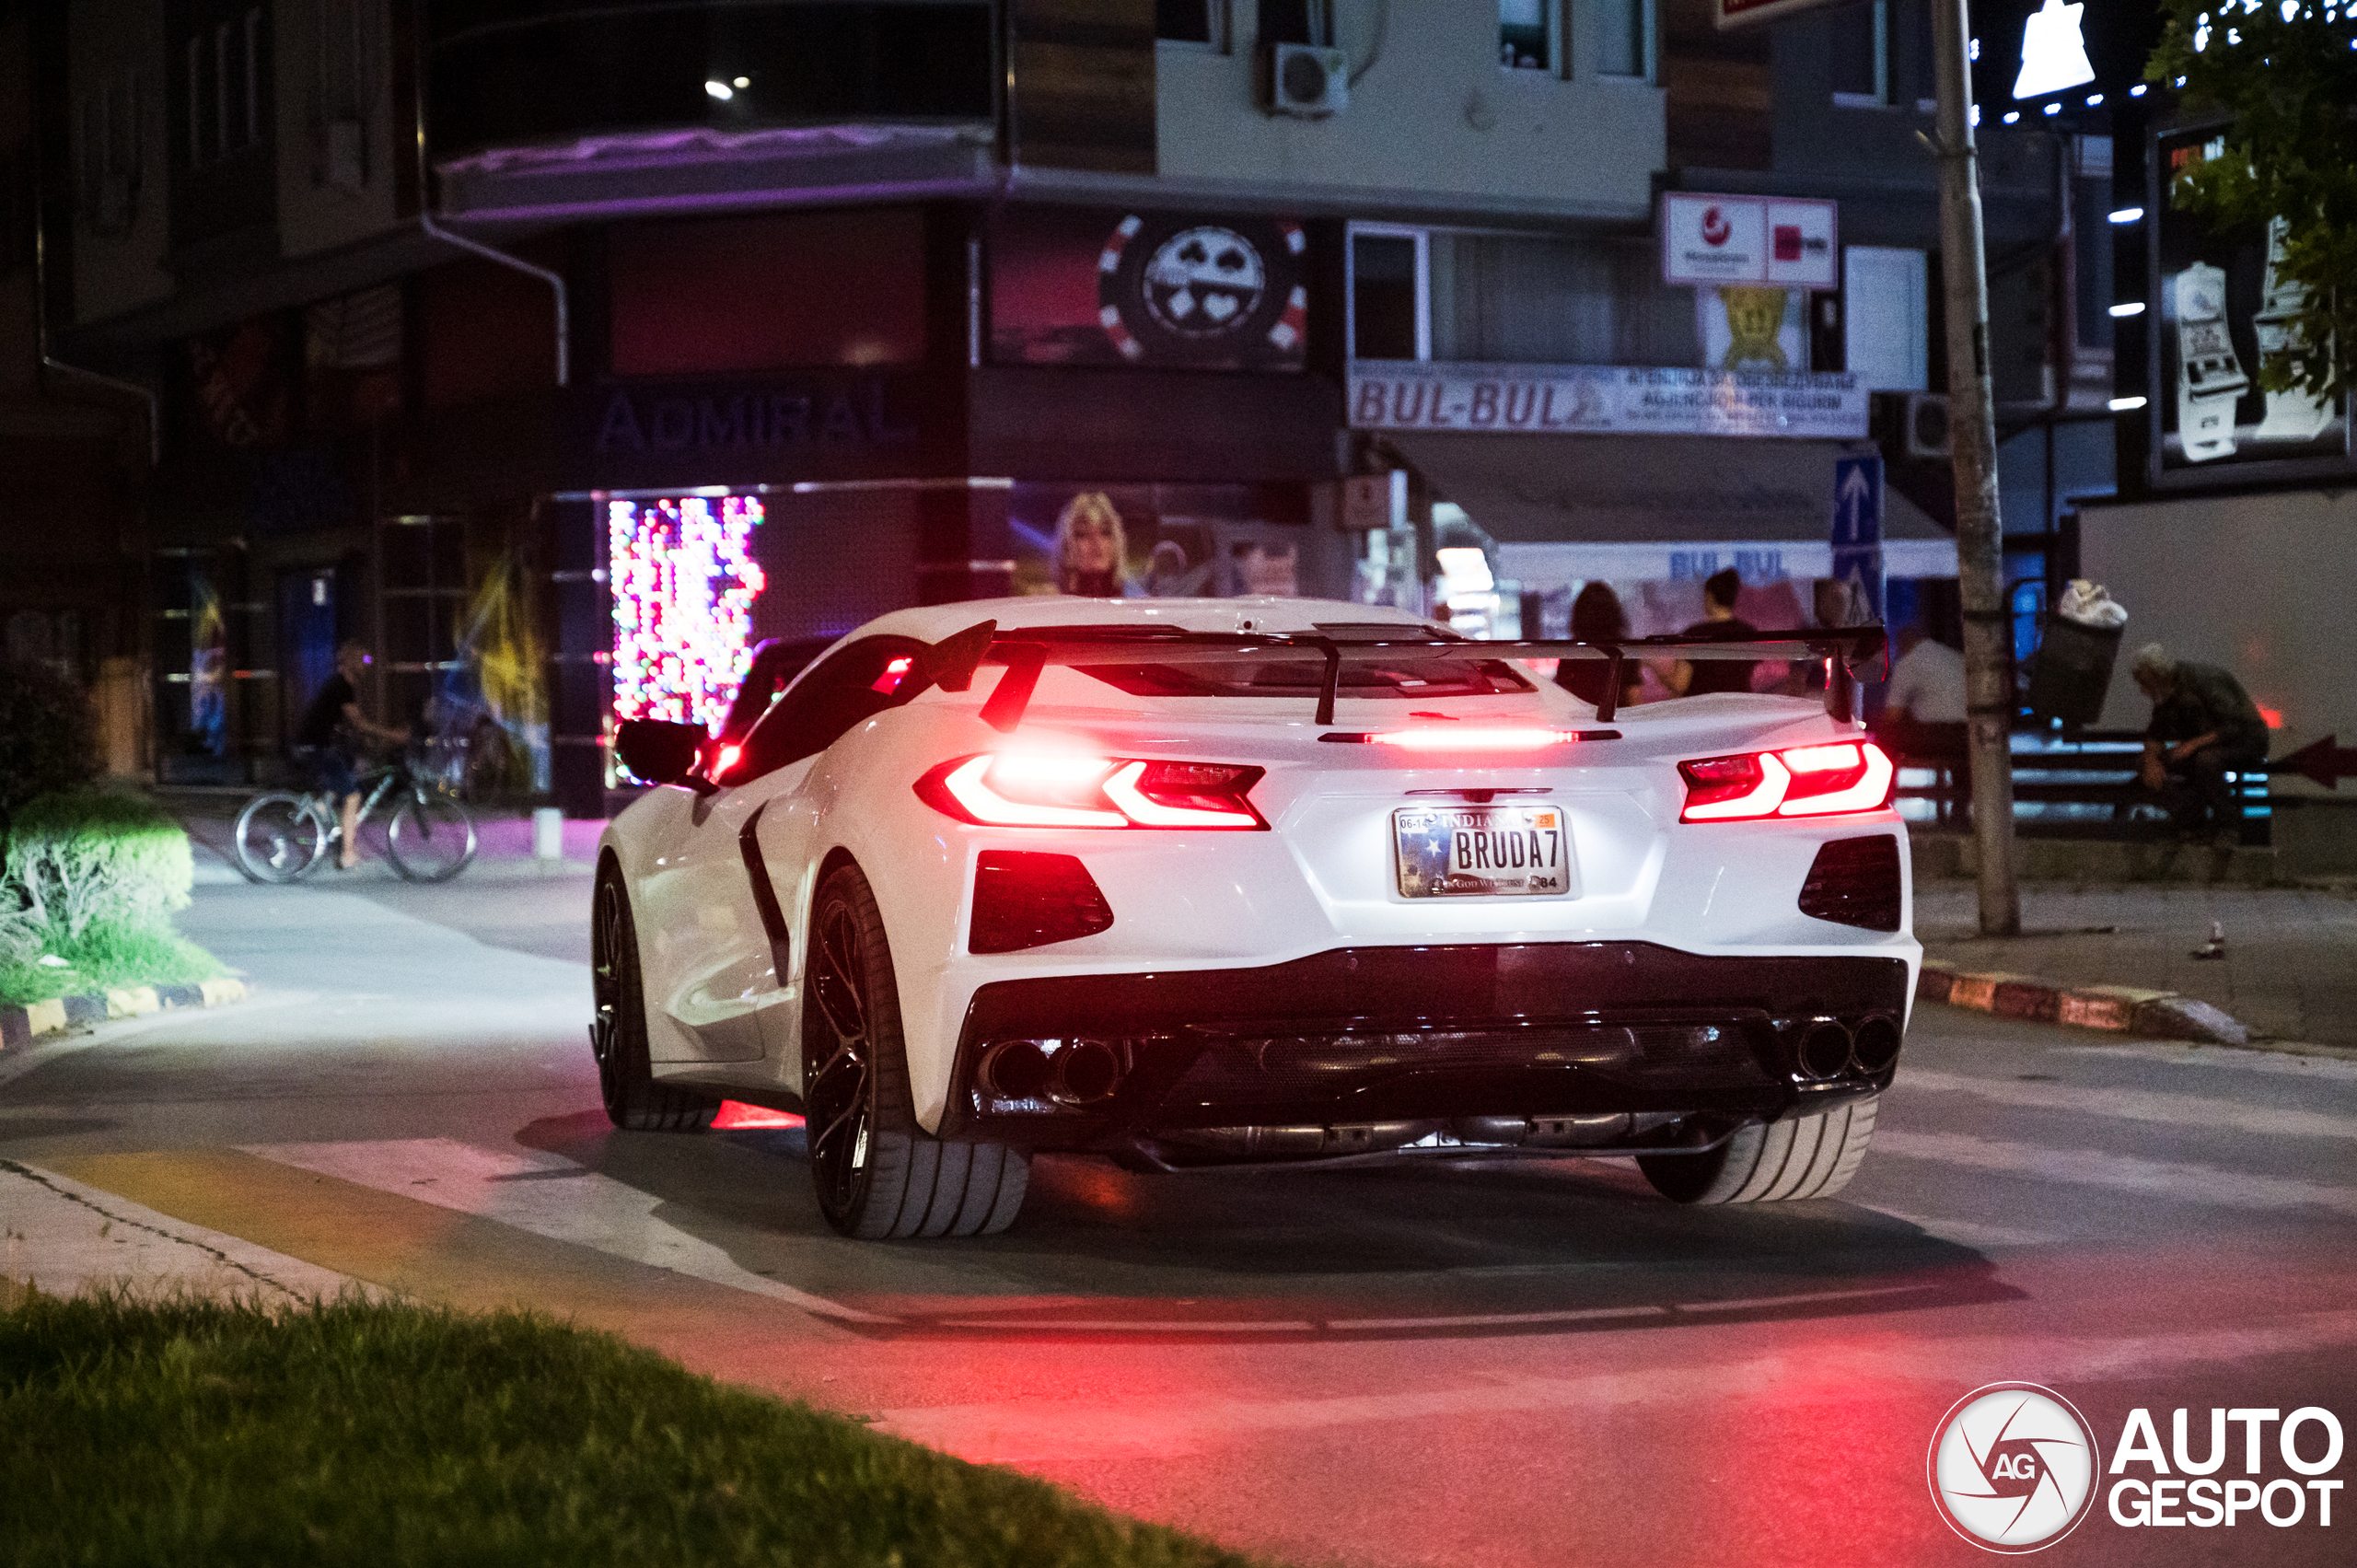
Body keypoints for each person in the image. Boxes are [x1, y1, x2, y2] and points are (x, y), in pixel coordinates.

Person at [2131, 642, 2269, 847]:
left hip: (2244, 740)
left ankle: (2228, 828)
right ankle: (2191, 824)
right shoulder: (2163, 693)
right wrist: (2151, 760)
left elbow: (2235, 725)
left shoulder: (2204, 680)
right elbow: (2156, 732)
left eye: (2144, 681)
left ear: (2155, 674)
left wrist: (2194, 744)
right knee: (2146, 765)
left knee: (2206, 761)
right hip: (2203, 746)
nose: (2143, 689)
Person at [294, 640, 410, 870]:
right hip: (316, 747)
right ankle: (347, 854)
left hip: (317, 746)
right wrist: (392, 735)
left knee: (349, 771)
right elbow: (359, 723)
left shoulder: (340, 685)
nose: (367, 665)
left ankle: (322, 809)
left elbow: (352, 725)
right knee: (353, 796)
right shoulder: (341, 685)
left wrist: (371, 741)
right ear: (351, 662)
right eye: (364, 660)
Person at [1874, 625, 1970, 823]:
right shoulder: (1955, 657)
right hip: (1964, 734)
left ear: (1903, 644)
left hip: (1933, 735)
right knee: (1959, 752)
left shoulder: (1909, 663)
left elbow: (1893, 714)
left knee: (1885, 739)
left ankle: (1884, 795)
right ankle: (1960, 808)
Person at [1666, 567, 1758, 697]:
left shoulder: (1693, 635)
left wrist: (1655, 668)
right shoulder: (1749, 633)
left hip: (1701, 712)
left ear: (1709, 596)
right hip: (1738, 710)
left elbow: (1679, 684)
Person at [1555, 582, 1643, 711]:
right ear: (1614, 613)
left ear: (1580, 614)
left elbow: (1563, 695)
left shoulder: (1572, 650)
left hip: (1582, 719)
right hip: (1618, 720)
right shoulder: (1625, 649)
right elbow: (1634, 698)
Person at [1053, 492, 1131, 597]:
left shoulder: (1136, 604)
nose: (1096, 542)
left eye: (1105, 532)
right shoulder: (1051, 603)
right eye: (1083, 534)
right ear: (1066, 546)